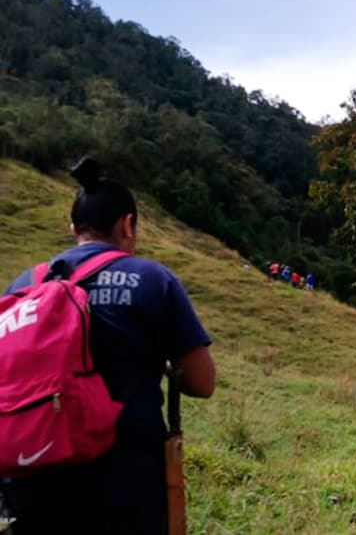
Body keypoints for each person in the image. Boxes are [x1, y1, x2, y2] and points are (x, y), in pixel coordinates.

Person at [0, 157, 216, 535]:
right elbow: (202, 382)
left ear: (73, 229)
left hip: (28, 475)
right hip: (123, 483)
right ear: (127, 225)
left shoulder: (23, 284)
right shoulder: (152, 278)